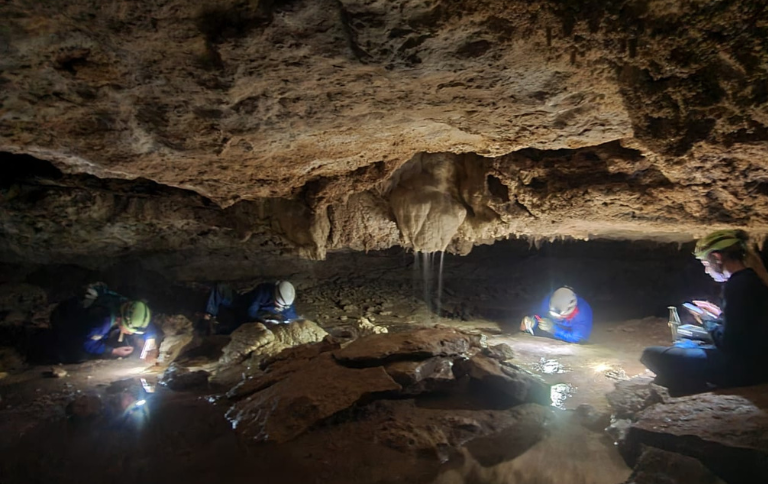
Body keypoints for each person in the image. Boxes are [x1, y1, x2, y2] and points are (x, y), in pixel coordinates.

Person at [641, 229, 768, 391]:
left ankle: (697, 386)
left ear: (717, 257)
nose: (707, 270)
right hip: (758, 360)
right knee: (687, 338)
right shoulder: (754, 279)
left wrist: (706, 320)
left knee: (651, 354)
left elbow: (729, 344)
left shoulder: (737, 286)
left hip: (745, 369)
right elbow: (749, 323)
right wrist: (719, 314)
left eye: (706, 264)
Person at [51, 283, 158, 363]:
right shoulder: (102, 321)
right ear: (120, 319)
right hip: (64, 320)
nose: (131, 333)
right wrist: (113, 351)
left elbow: (142, 322)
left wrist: (150, 340)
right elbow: (87, 343)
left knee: (120, 337)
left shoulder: (127, 305)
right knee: (79, 355)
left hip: (85, 317)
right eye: (130, 330)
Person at [203, 280, 298, 334]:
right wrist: (260, 322)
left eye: (281, 305)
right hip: (242, 304)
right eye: (277, 303)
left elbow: (292, 319)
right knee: (220, 288)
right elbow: (250, 311)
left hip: (260, 315)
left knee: (235, 330)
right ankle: (208, 316)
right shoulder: (264, 291)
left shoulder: (287, 304)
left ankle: (223, 332)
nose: (279, 306)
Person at [519, 287, 592, 343]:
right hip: (553, 328)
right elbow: (540, 315)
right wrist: (532, 321)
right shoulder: (548, 301)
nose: (558, 318)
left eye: (561, 316)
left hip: (569, 331)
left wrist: (553, 329)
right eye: (554, 315)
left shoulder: (583, 313)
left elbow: (578, 339)